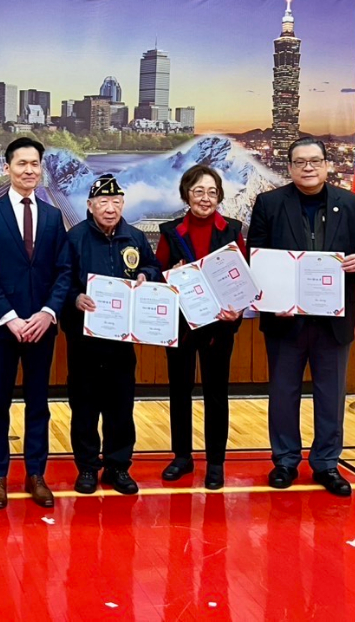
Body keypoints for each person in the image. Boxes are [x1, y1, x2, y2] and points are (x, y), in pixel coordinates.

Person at [248, 138, 355, 496]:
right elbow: (256, 255)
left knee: (331, 395)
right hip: (284, 319)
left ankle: (326, 464)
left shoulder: (353, 205)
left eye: (314, 161)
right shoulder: (269, 204)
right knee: (283, 393)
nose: (308, 168)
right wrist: (271, 297)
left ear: (326, 165)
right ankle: (285, 461)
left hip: (333, 321)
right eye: (300, 162)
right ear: (289, 168)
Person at [0, 137, 72, 510]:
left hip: (42, 327)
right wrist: (10, 317)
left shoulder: (52, 216)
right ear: (7, 168)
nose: (29, 170)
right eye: (21, 163)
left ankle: (36, 474)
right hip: (3, 327)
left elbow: (64, 271)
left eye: (35, 164)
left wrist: (48, 313)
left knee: (38, 403)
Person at [60, 174, 161, 495]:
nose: (110, 208)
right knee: (84, 407)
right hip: (85, 340)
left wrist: (146, 275)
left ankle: (118, 466)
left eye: (116, 202)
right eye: (103, 202)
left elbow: (154, 267)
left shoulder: (135, 237)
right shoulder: (75, 238)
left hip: (121, 341)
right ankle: (88, 467)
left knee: (121, 406)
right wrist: (75, 298)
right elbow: (61, 281)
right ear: (90, 206)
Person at [155, 164, 247, 491]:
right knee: (179, 391)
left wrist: (238, 310)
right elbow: (157, 277)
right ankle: (182, 457)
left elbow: (244, 278)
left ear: (219, 196)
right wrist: (171, 274)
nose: (205, 198)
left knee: (216, 393)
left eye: (212, 192)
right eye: (198, 192)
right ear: (186, 195)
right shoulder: (170, 231)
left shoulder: (232, 230)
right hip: (181, 325)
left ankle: (216, 462)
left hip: (220, 327)